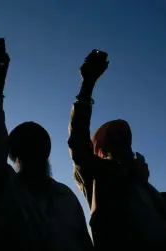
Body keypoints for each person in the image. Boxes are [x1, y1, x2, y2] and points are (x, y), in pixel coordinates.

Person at [0, 42, 93, 251]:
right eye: (28, 145)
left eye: (40, 145)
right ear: (13, 153)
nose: (36, 152)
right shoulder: (5, 186)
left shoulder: (65, 196)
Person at [68, 49, 166, 251]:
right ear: (102, 151)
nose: (124, 146)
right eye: (114, 140)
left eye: (125, 140)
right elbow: (78, 143)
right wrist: (87, 86)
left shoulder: (150, 192)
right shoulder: (97, 177)